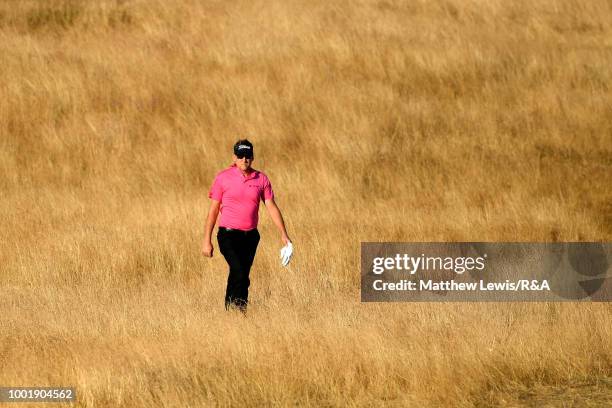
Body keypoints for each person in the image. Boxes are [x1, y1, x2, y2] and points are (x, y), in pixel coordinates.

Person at [202, 139, 293, 312]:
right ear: (234, 157)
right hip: (228, 235)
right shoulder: (223, 177)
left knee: (240, 273)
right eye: (241, 155)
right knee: (240, 271)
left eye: (248, 156)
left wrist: (284, 234)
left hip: (250, 237)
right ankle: (237, 307)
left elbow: (271, 206)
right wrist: (207, 240)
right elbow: (213, 211)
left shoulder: (261, 179)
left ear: (252, 157)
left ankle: (235, 311)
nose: (244, 159)